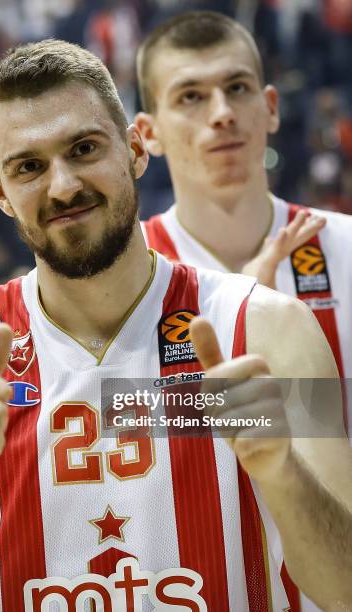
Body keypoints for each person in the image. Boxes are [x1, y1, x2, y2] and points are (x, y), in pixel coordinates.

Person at [0, 40, 351, 612]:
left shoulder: (271, 329)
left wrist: (284, 474)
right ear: (1, 193)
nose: (63, 186)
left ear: (136, 149)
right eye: (29, 167)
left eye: (84, 148)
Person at [135, 11, 352, 409]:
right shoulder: (126, 276)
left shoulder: (348, 247)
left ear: (271, 107)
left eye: (236, 87)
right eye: (191, 96)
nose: (222, 113)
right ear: (150, 133)